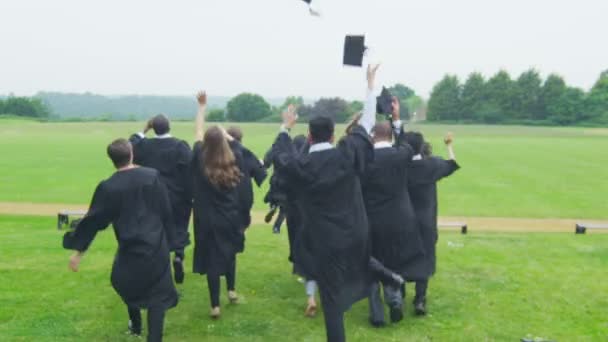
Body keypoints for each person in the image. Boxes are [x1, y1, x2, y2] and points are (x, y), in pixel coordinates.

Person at [272, 65, 380, 342]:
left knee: (331, 302)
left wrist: (285, 126)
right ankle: (382, 275)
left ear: (309, 136)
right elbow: (367, 125)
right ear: (334, 135)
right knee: (357, 269)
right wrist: (370, 87)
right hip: (355, 234)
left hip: (323, 239)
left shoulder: (300, 164)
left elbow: (280, 154)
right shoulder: (345, 155)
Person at [63, 139, 178, 342]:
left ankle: (141, 329)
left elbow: (93, 221)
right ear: (131, 153)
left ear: (112, 160)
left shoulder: (108, 187)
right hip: (155, 245)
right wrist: (173, 243)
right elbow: (166, 210)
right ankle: (144, 331)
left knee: (131, 285)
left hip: (130, 247)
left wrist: (78, 252)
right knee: (155, 296)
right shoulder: (151, 176)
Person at [361, 99, 426, 326]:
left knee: (370, 263)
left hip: (371, 219)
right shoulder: (402, 154)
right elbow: (406, 141)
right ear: (390, 137)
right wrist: (396, 118)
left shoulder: (365, 160)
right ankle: (395, 299)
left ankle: (377, 314)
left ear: (372, 137)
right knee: (394, 261)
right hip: (400, 218)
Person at [191, 92, 245, 319]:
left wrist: (202, 108)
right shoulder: (235, 159)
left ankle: (215, 306)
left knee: (212, 261)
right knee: (230, 253)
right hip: (230, 218)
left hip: (207, 220)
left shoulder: (200, 159)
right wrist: (226, 135)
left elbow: (197, 133)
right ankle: (231, 291)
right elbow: (236, 145)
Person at [129, 114, 192, 284]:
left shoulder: (145, 146)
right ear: (169, 126)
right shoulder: (180, 146)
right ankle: (178, 254)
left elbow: (127, 149)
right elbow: (190, 170)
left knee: (157, 230)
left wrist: (143, 131)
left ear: (153, 128)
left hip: (152, 196)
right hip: (177, 196)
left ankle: (161, 264)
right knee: (179, 226)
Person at [404, 131, 460, 315]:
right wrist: (449, 145)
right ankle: (420, 299)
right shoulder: (432, 164)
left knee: (401, 256)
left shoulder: (398, 166)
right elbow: (452, 164)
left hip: (403, 220)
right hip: (426, 220)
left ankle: (398, 293)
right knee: (425, 258)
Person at [226, 126, 268, 230]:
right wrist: (260, 163)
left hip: (225, 199)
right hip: (243, 199)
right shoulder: (246, 155)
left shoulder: (220, 155)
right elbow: (261, 174)